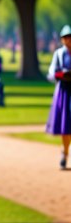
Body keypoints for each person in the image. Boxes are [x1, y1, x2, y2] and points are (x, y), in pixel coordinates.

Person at [46, 24, 71, 169]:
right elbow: (51, 73)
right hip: (64, 91)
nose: (69, 40)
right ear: (62, 40)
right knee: (66, 125)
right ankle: (65, 152)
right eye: (66, 38)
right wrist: (62, 75)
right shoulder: (59, 54)